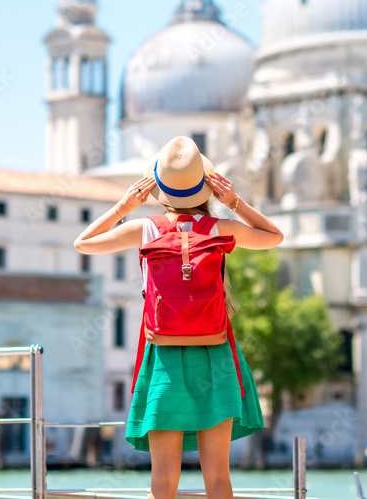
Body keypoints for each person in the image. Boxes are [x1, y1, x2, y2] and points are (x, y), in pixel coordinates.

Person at [74, 136, 283, 499]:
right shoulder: (219, 229)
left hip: (163, 358)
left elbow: (84, 243)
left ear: (158, 187)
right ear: (206, 184)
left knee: (164, 476)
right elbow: (274, 236)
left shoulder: (145, 229)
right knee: (218, 476)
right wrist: (234, 203)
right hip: (214, 353)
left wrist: (125, 204)